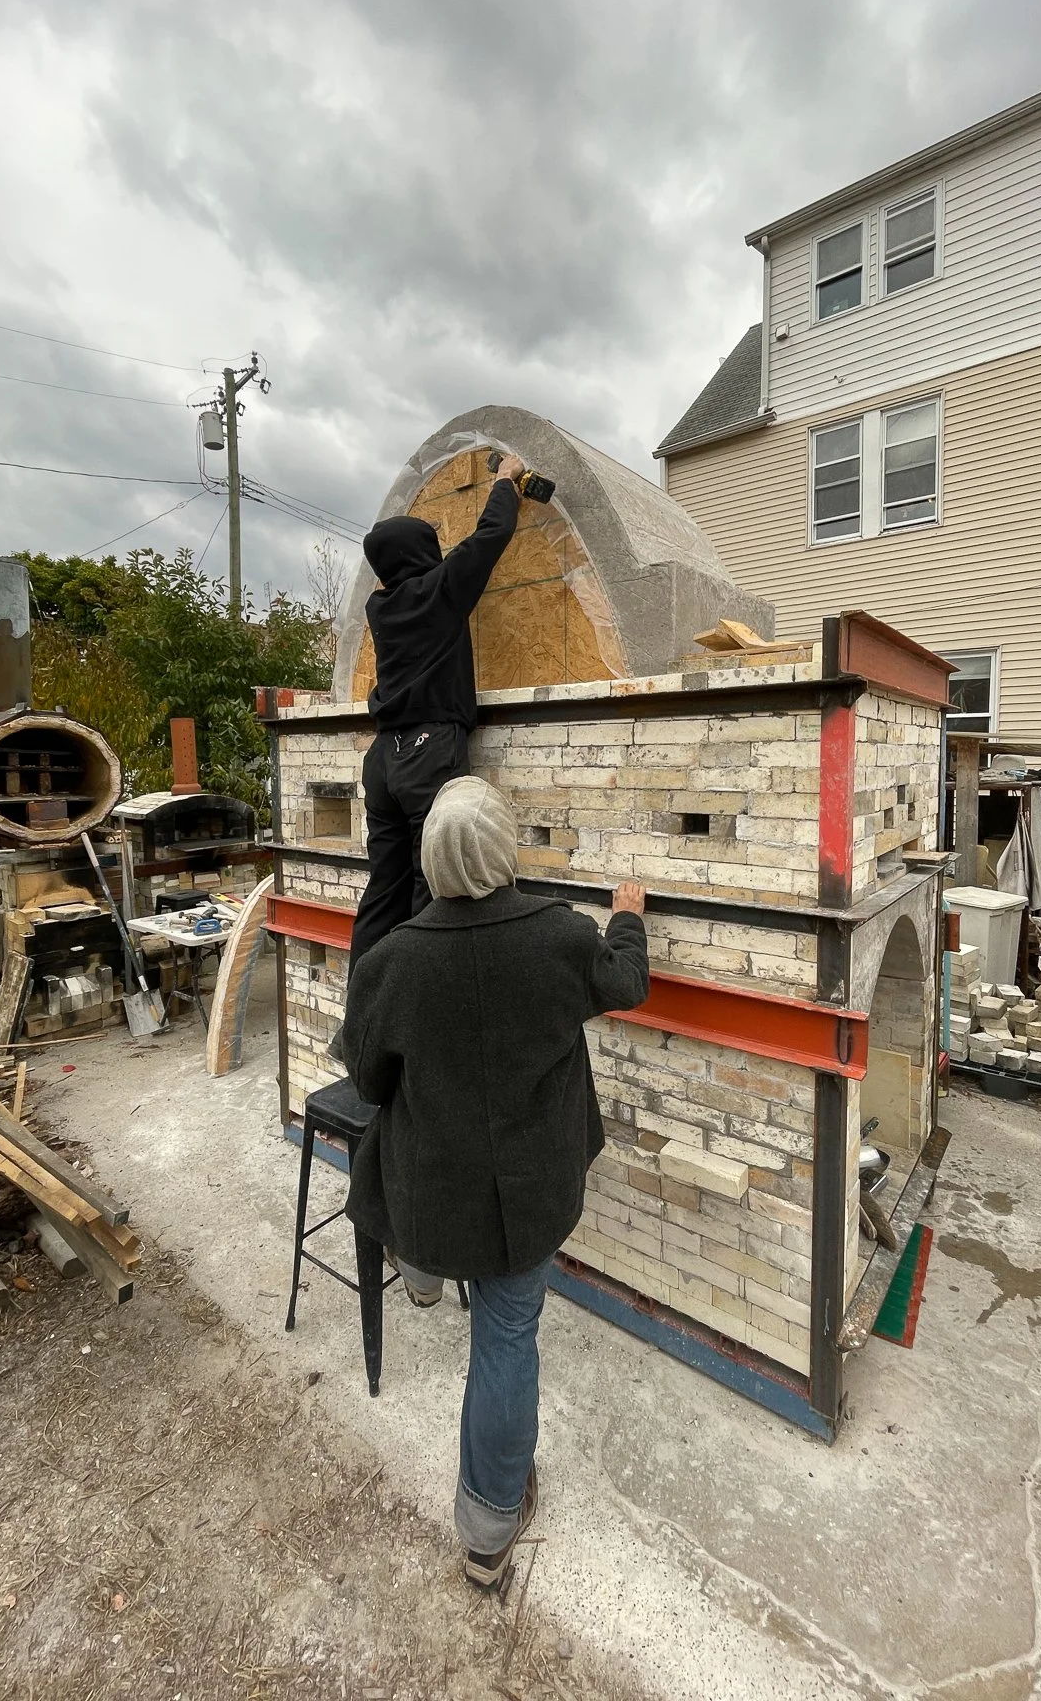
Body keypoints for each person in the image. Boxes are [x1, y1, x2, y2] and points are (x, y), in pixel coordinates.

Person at [343, 777, 649, 1589]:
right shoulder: (558, 938)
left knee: (402, 1183)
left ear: (430, 858)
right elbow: (625, 983)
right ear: (506, 849)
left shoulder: (393, 961)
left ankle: (422, 1269)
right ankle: (488, 1527)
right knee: (507, 1339)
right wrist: (629, 917)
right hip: (527, 1197)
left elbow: (370, 1085)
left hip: (432, 1191)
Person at [346, 453, 526, 976]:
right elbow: (488, 537)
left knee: (385, 885)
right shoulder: (438, 593)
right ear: (417, 553)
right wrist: (505, 481)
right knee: (436, 881)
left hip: (383, 761)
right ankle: (423, 1002)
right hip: (428, 753)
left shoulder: (380, 609)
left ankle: (366, 1004)